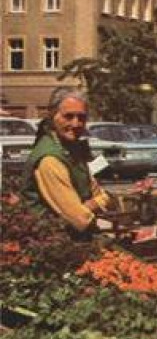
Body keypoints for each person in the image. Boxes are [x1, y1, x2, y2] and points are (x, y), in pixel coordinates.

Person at [22, 87, 112, 235]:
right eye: (68, 116)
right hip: (52, 241)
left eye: (81, 117)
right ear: (52, 116)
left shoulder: (72, 149)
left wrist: (94, 203)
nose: (76, 124)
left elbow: (97, 192)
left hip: (74, 236)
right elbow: (79, 218)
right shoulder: (49, 159)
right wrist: (97, 203)